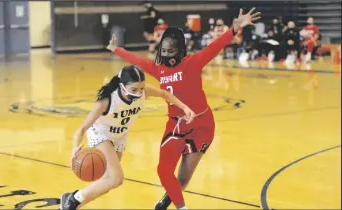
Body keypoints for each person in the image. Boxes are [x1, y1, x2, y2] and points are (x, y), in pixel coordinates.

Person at [107, 8, 261, 210]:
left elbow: (215, 47)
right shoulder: (159, 68)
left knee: (183, 178)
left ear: (180, 50)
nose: (166, 55)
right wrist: (116, 49)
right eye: (164, 51)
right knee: (163, 171)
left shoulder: (192, 63)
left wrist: (235, 28)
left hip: (202, 124)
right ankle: (182, 207)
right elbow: (139, 61)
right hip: (176, 125)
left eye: (171, 52)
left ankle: (168, 198)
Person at [60, 65, 196, 210]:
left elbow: (164, 94)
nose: (138, 93)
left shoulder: (143, 91)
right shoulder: (107, 101)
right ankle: (73, 201)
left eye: (142, 88)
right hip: (101, 134)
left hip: (120, 135)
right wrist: (74, 148)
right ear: (122, 86)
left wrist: (184, 107)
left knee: (108, 182)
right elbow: (81, 129)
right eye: (134, 90)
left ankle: (72, 200)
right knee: (116, 178)